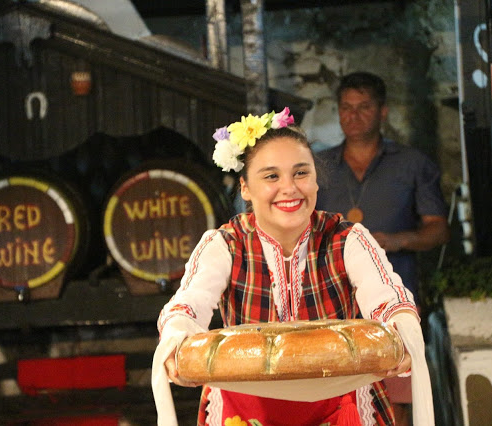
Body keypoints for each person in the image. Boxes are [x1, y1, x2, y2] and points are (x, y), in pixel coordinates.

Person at [151, 108, 433, 426]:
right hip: (246, 409)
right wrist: (176, 338)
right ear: (245, 187)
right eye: (271, 176)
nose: (289, 188)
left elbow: (388, 298)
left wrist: (401, 331)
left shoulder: (346, 238)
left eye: (301, 173)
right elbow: (189, 304)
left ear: (316, 181)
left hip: (342, 405)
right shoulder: (225, 244)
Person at [315, 72, 450, 425]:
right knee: (336, 402)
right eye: (346, 107)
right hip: (333, 303)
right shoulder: (318, 167)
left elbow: (438, 229)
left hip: (395, 298)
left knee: (395, 402)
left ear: (383, 112)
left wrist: (395, 241)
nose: (353, 116)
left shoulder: (412, 163)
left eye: (364, 107)